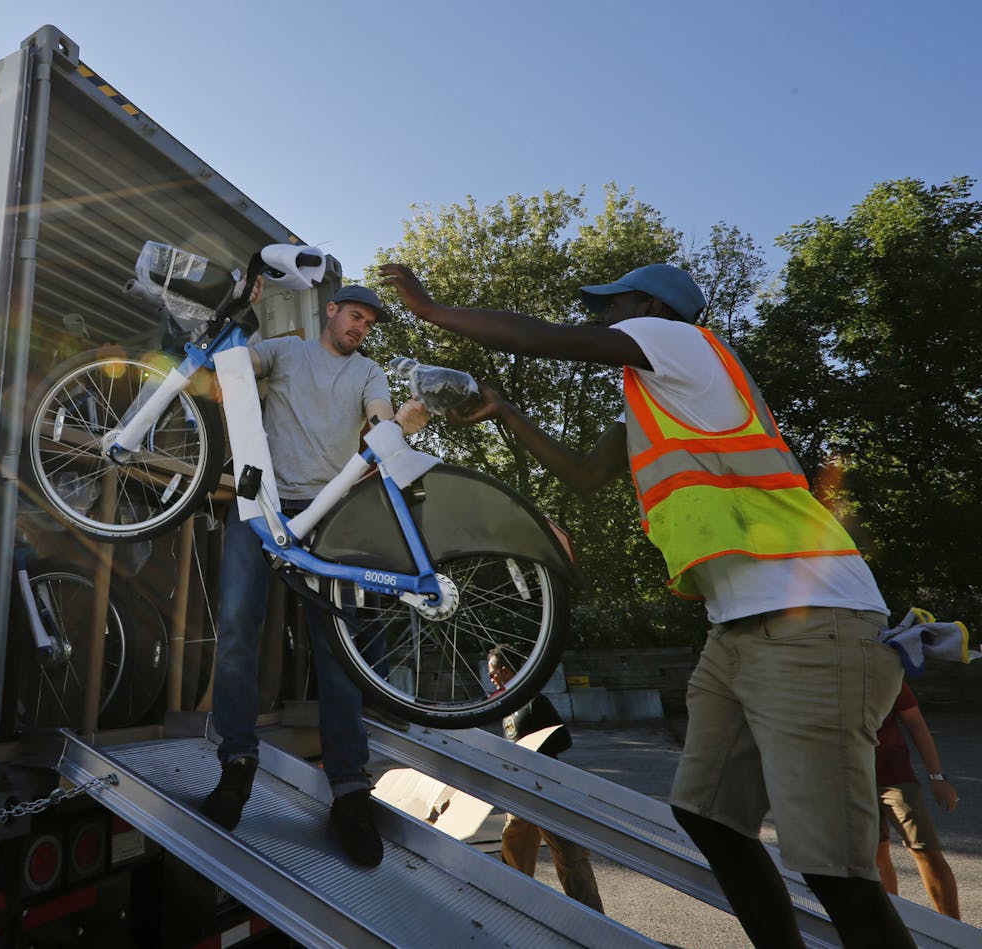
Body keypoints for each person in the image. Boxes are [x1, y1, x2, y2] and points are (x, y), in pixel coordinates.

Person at [379, 261, 912, 947]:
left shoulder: (686, 345)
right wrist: (507, 411)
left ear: (651, 306)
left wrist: (431, 309)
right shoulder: (653, 397)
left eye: (612, 305)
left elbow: (550, 338)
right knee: (709, 816)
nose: (602, 318)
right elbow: (584, 475)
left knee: (835, 871)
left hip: (814, 622)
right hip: (736, 631)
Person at [199, 284, 427, 868]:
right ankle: (236, 768)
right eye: (355, 316)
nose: (361, 328)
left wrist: (399, 424)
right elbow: (233, 365)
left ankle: (350, 793)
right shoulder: (287, 352)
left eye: (370, 323)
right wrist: (233, 316)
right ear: (331, 311)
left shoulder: (370, 372)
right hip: (262, 508)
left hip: (328, 517)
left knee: (339, 653)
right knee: (237, 633)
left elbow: (379, 421)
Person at [487, 647, 604, 912]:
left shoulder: (535, 702)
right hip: (520, 794)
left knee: (570, 858)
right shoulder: (508, 706)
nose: (493, 679)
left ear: (507, 671)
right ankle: (511, 910)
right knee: (513, 852)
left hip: (547, 790)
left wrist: (532, 750)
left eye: (494, 673)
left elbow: (564, 739)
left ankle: (592, 919)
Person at [875, 681, 961, 918]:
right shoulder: (820, 667)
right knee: (875, 853)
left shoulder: (882, 665)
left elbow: (915, 723)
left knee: (925, 848)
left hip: (895, 776)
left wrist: (937, 778)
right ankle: (891, 928)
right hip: (848, 777)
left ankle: (952, 932)